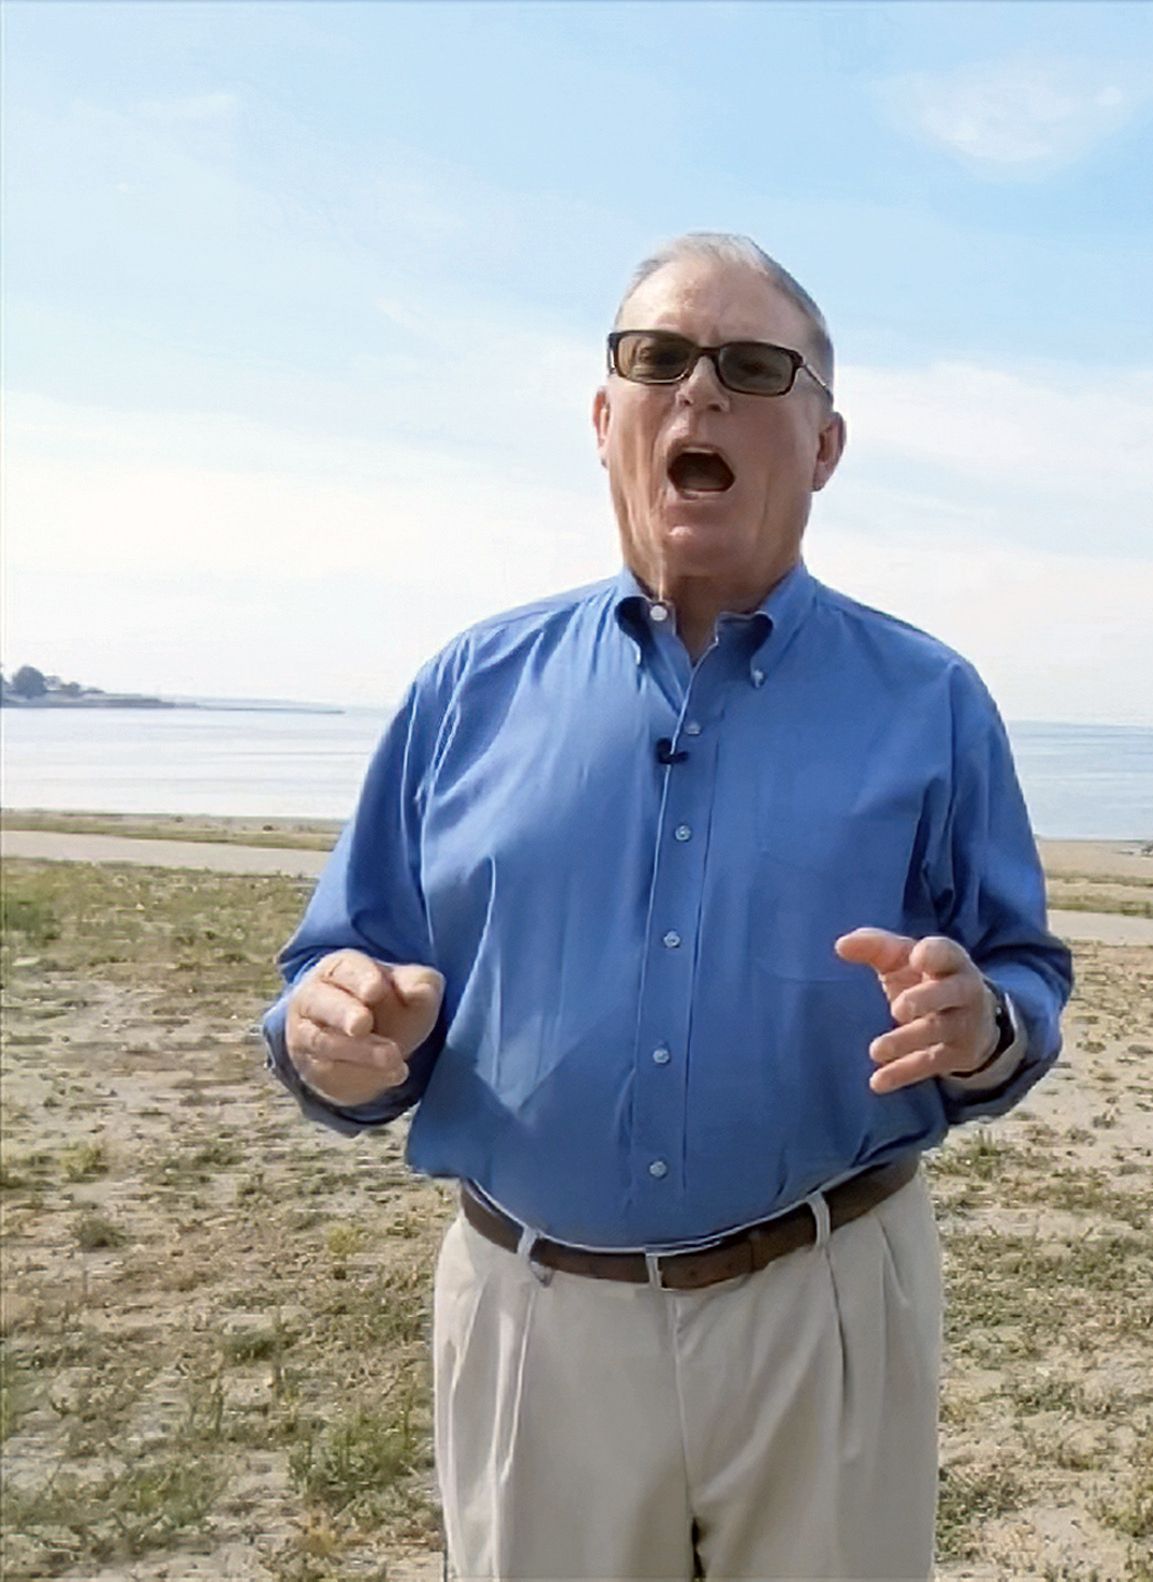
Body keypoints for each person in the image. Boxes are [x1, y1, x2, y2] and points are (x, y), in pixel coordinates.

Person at [260, 231, 1071, 1581]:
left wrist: (979, 1021)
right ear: (605, 417)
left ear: (823, 444)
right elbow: (327, 976)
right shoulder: (467, 689)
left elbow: (1022, 977)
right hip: (533, 1323)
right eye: (659, 357)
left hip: (827, 1308)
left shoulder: (931, 703)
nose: (702, 392)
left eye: (756, 366)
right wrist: (330, 1032)